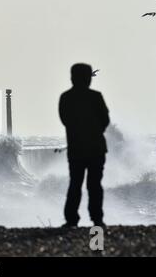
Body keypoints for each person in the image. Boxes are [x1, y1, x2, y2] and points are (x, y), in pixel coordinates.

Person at [59, 63, 110, 227]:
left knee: (75, 184)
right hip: (95, 148)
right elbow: (105, 120)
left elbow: (66, 121)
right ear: (87, 78)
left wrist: (79, 132)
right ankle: (97, 219)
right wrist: (93, 132)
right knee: (94, 185)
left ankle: (71, 220)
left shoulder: (66, 97)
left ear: (72, 77)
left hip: (76, 148)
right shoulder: (95, 96)